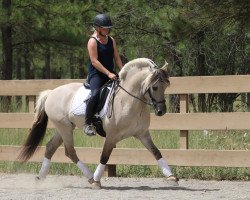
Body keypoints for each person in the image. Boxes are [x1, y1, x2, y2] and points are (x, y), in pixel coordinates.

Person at [84, 13, 123, 136]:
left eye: (108, 27)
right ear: (97, 28)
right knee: (95, 94)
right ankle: (88, 123)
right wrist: (108, 73)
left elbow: (116, 58)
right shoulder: (92, 41)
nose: (107, 29)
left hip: (111, 74)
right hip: (96, 75)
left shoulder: (111, 40)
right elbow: (94, 61)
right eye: (105, 27)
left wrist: (123, 71)